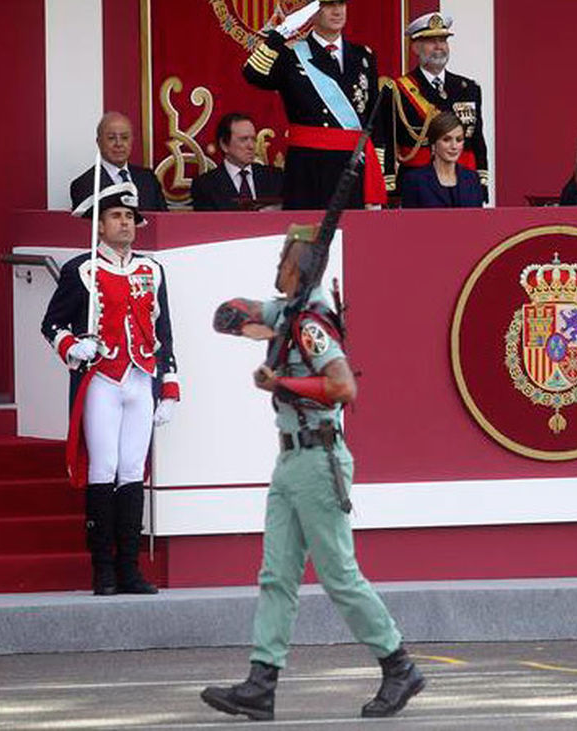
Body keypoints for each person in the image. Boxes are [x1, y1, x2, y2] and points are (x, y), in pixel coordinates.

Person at [201, 225, 424, 721]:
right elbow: (239, 314)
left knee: (339, 574)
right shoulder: (292, 311)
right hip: (291, 461)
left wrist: (281, 382)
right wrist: (243, 316)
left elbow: (343, 387)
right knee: (276, 575)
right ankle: (261, 683)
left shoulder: (311, 322)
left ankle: (398, 664)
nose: (277, 265)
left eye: (283, 258)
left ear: (297, 266)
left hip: (316, 458)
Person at [41, 182, 179, 596]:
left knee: (133, 470)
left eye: (130, 218)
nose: (126, 224)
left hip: (141, 378)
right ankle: (102, 569)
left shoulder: (152, 270)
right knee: (103, 469)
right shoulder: (81, 270)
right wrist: (72, 344)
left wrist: (169, 386)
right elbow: (51, 324)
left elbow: (163, 331)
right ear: (99, 225)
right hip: (101, 378)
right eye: (117, 216)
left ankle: (130, 568)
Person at [242, 0, 388, 210]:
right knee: (307, 233)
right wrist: (282, 32)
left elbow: (376, 117)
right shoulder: (292, 54)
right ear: (311, 11)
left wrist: (378, 172)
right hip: (308, 166)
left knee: (351, 235)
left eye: (341, 4)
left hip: (353, 164)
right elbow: (252, 74)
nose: (337, 11)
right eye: (328, 5)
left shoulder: (363, 56)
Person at [391, 12, 490, 202]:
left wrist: (482, 181)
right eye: (431, 41)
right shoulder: (398, 90)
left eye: (443, 40)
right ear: (415, 47)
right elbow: (388, 142)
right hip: (419, 185)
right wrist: (390, 187)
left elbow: (477, 140)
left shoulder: (468, 88)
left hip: (465, 181)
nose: (439, 47)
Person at [69, 112, 168, 212]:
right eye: (111, 138)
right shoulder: (84, 184)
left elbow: (164, 220)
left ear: (132, 141)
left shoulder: (148, 178)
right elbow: (85, 226)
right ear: (99, 142)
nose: (119, 144)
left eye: (124, 138)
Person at [191, 113, 283, 211]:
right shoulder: (205, 186)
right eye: (244, 139)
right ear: (224, 145)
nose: (251, 146)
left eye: (253, 139)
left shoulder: (275, 178)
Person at [400, 112, 483, 208]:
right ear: (433, 144)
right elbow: (409, 221)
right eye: (446, 140)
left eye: (459, 140)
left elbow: (479, 220)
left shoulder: (472, 179)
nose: (454, 146)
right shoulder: (414, 180)